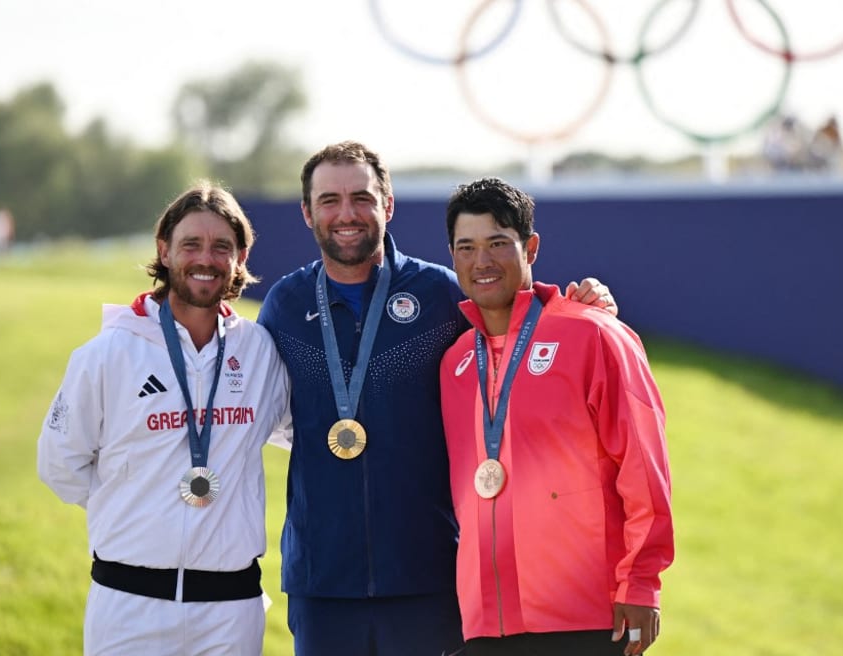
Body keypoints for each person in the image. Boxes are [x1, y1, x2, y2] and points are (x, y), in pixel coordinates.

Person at [257, 140, 616, 655]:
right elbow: (270, 413)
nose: (347, 214)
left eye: (361, 197)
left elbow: (517, 333)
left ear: (388, 203)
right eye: (330, 200)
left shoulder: (442, 295)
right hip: (322, 579)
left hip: (431, 574)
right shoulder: (285, 306)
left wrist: (586, 304)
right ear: (307, 212)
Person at [37, 181, 292, 655]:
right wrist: (132, 501)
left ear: (240, 258)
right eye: (191, 244)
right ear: (165, 251)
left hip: (229, 609)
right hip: (128, 602)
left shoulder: (259, 350)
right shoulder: (109, 351)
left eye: (222, 247)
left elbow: (297, 431)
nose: (206, 258)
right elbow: (59, 464)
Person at [439, 177, 673, 656]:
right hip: (486, 624)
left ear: (532, 247)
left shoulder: (594, 335)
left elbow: (643, 469)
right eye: (467, 247)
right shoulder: (455, 363)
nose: (482, 262)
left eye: (498, 244)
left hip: (585, 614)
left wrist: (641, 585)